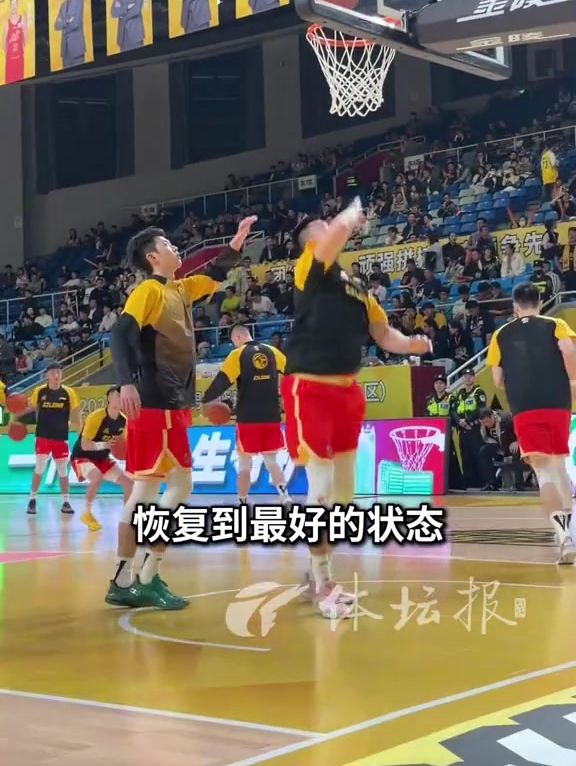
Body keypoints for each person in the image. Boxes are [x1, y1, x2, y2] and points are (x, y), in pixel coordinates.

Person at [281, 200, 430, 619]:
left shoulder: (356, 285)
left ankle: (315, 572)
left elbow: (382, 333)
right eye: (322, 225)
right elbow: (333, 238)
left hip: (347, 390)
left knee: (344, 498)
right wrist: (348, 216)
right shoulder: (309, 268)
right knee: (321, 488)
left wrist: (412, 343)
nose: (329, 226)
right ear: (311, 239)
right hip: (309, 386)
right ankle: (323, 582)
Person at [106, 216, 257, 610]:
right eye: (168, 245)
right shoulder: (148, 291)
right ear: (153, 257)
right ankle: (144, 575)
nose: (175, 248)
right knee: (169, 488)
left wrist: (237, 243)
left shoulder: (180, 289)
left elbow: (216, 274)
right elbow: (120, 334)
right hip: (154, 401)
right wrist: (125, 383)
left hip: (172, 403)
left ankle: (126, 578)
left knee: (154, 490)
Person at [487, 282, 576, 563]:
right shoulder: (556, 324)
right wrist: (572, 380)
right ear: (540, 303)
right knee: (558, 466)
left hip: (525, 407)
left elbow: (497, 380)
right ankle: (571, 532)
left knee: (544, 474)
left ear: (515, 307)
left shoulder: (500, 334)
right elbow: (568, 349)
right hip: (558, 403)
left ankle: (564, 538)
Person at [202, 324, 289, 506]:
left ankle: (243, 501)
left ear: (238, 338)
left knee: (244, 465)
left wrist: (206, 399)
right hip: (272, 415)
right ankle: (284, 496)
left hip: (248, 418)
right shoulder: (273, 351)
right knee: (272, 461)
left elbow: (222, 381)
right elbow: (291, 372)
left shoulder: (238, 354)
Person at [21, 363, 81, 515]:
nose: (57, 374)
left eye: (59, 371)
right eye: (54, 372)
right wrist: (16, 415)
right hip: (43, 436)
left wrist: (80, 432)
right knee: (39, 468)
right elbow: (31, 408)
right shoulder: (39, 391)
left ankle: (66, 502)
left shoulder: (69, 392)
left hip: (61, 438)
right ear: (47, 375)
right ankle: (32, 499)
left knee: (62, 470)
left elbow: (77, 412)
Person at [71, 386, 132, 532]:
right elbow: (85, 445)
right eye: (118, 395)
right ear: (109, 398)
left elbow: (122, 445)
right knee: (97, 477)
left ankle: (127, 518)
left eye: (123, 395)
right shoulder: (96, 416)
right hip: (82, 456)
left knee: (129, 484)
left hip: (102, 458)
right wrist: (105, 444)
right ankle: (87, 513)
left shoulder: (124, 421)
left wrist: (122, 451)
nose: (121, 398)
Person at [451, 367, 487, 488]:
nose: (467, 378)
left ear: (474, 378)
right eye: (465, 376)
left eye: (470, 376)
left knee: (478, 455)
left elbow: (480, 408)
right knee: (465, 456)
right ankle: (469, 482)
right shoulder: (459, 394)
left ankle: (481, 482)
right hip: (462, 430)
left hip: (474, 429)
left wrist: (467, 420)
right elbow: (454, 410)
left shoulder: (478, 392)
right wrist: (459, 421)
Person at [54, 0, 86, 68]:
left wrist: (63, 26)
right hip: (65, 50)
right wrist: (67, 21)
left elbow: (76, 23)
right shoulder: (63, 5)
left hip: (77, 48)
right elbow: (56, 26)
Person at [4, 0, 26, 84]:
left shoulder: (22, 19)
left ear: (17, 5)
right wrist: (9, 54)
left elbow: (25, 37)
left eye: (15, 4)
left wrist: (21, 49)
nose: (13, 6)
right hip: (10, 61)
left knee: (21, 82)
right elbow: (3, 42)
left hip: (19, 59)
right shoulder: (7, 22)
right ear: (10, 6)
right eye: (12, 4)